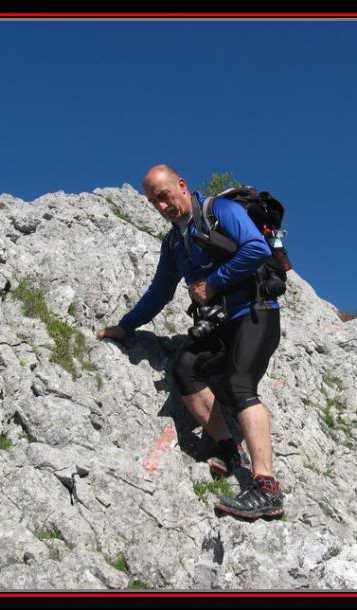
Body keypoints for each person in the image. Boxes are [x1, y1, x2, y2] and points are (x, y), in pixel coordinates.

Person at [97, 164, 284, 520]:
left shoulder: (221, 212)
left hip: (256, 311)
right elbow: (160, 292)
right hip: (220, 321)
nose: (162, 207)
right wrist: (125, 326)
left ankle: (267, 487)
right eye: (154, 202)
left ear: (181, 186)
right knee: (184, 369)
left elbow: (256, 249)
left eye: (164, 196)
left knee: (239, 383)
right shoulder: (173, 244)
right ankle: (229, 449)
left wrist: (212, 283)